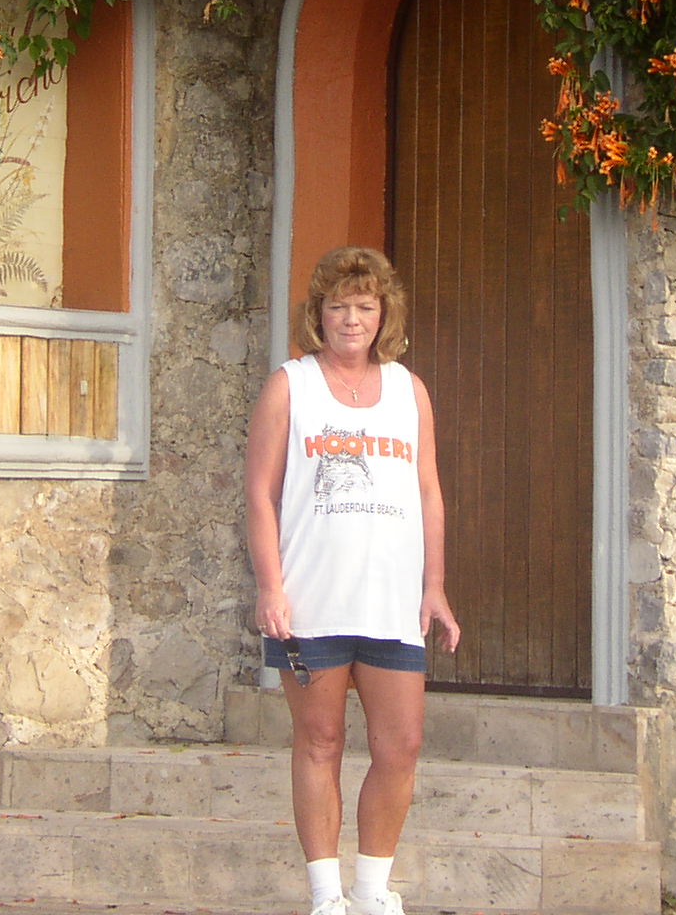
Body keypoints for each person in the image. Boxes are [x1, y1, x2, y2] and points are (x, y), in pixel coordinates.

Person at [244, 245, 460, 915]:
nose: (351, 319)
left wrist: (434, 585)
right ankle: (326, 896)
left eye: (365, 306)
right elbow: (260, 494)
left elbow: (429, 492)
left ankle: (371, 891)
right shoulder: (291, 386)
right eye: (338, 306)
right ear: (319, 314)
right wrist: (270, 587)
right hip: (311, 602)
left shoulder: (408, 390)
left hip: (392, 602)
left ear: (383, 313)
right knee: (320, 742)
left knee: (402, 746)